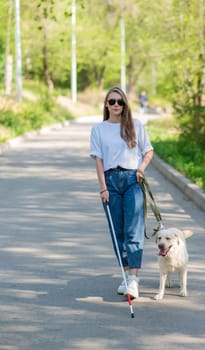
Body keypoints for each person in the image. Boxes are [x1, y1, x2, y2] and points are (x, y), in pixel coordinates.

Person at [90, 86, 153, 299]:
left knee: (133, 230)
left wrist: (141, 170)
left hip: (132, 180)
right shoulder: (98, 129)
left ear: (125, 105)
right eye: (112, 101)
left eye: (120, 102)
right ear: (106, 105)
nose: (116, 105)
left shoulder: (135, 125)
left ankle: (133, 279)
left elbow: (148, 151)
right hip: (110, 182)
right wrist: (103, 188)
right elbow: (99, 161)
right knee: (117, 232)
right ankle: (126, 275)